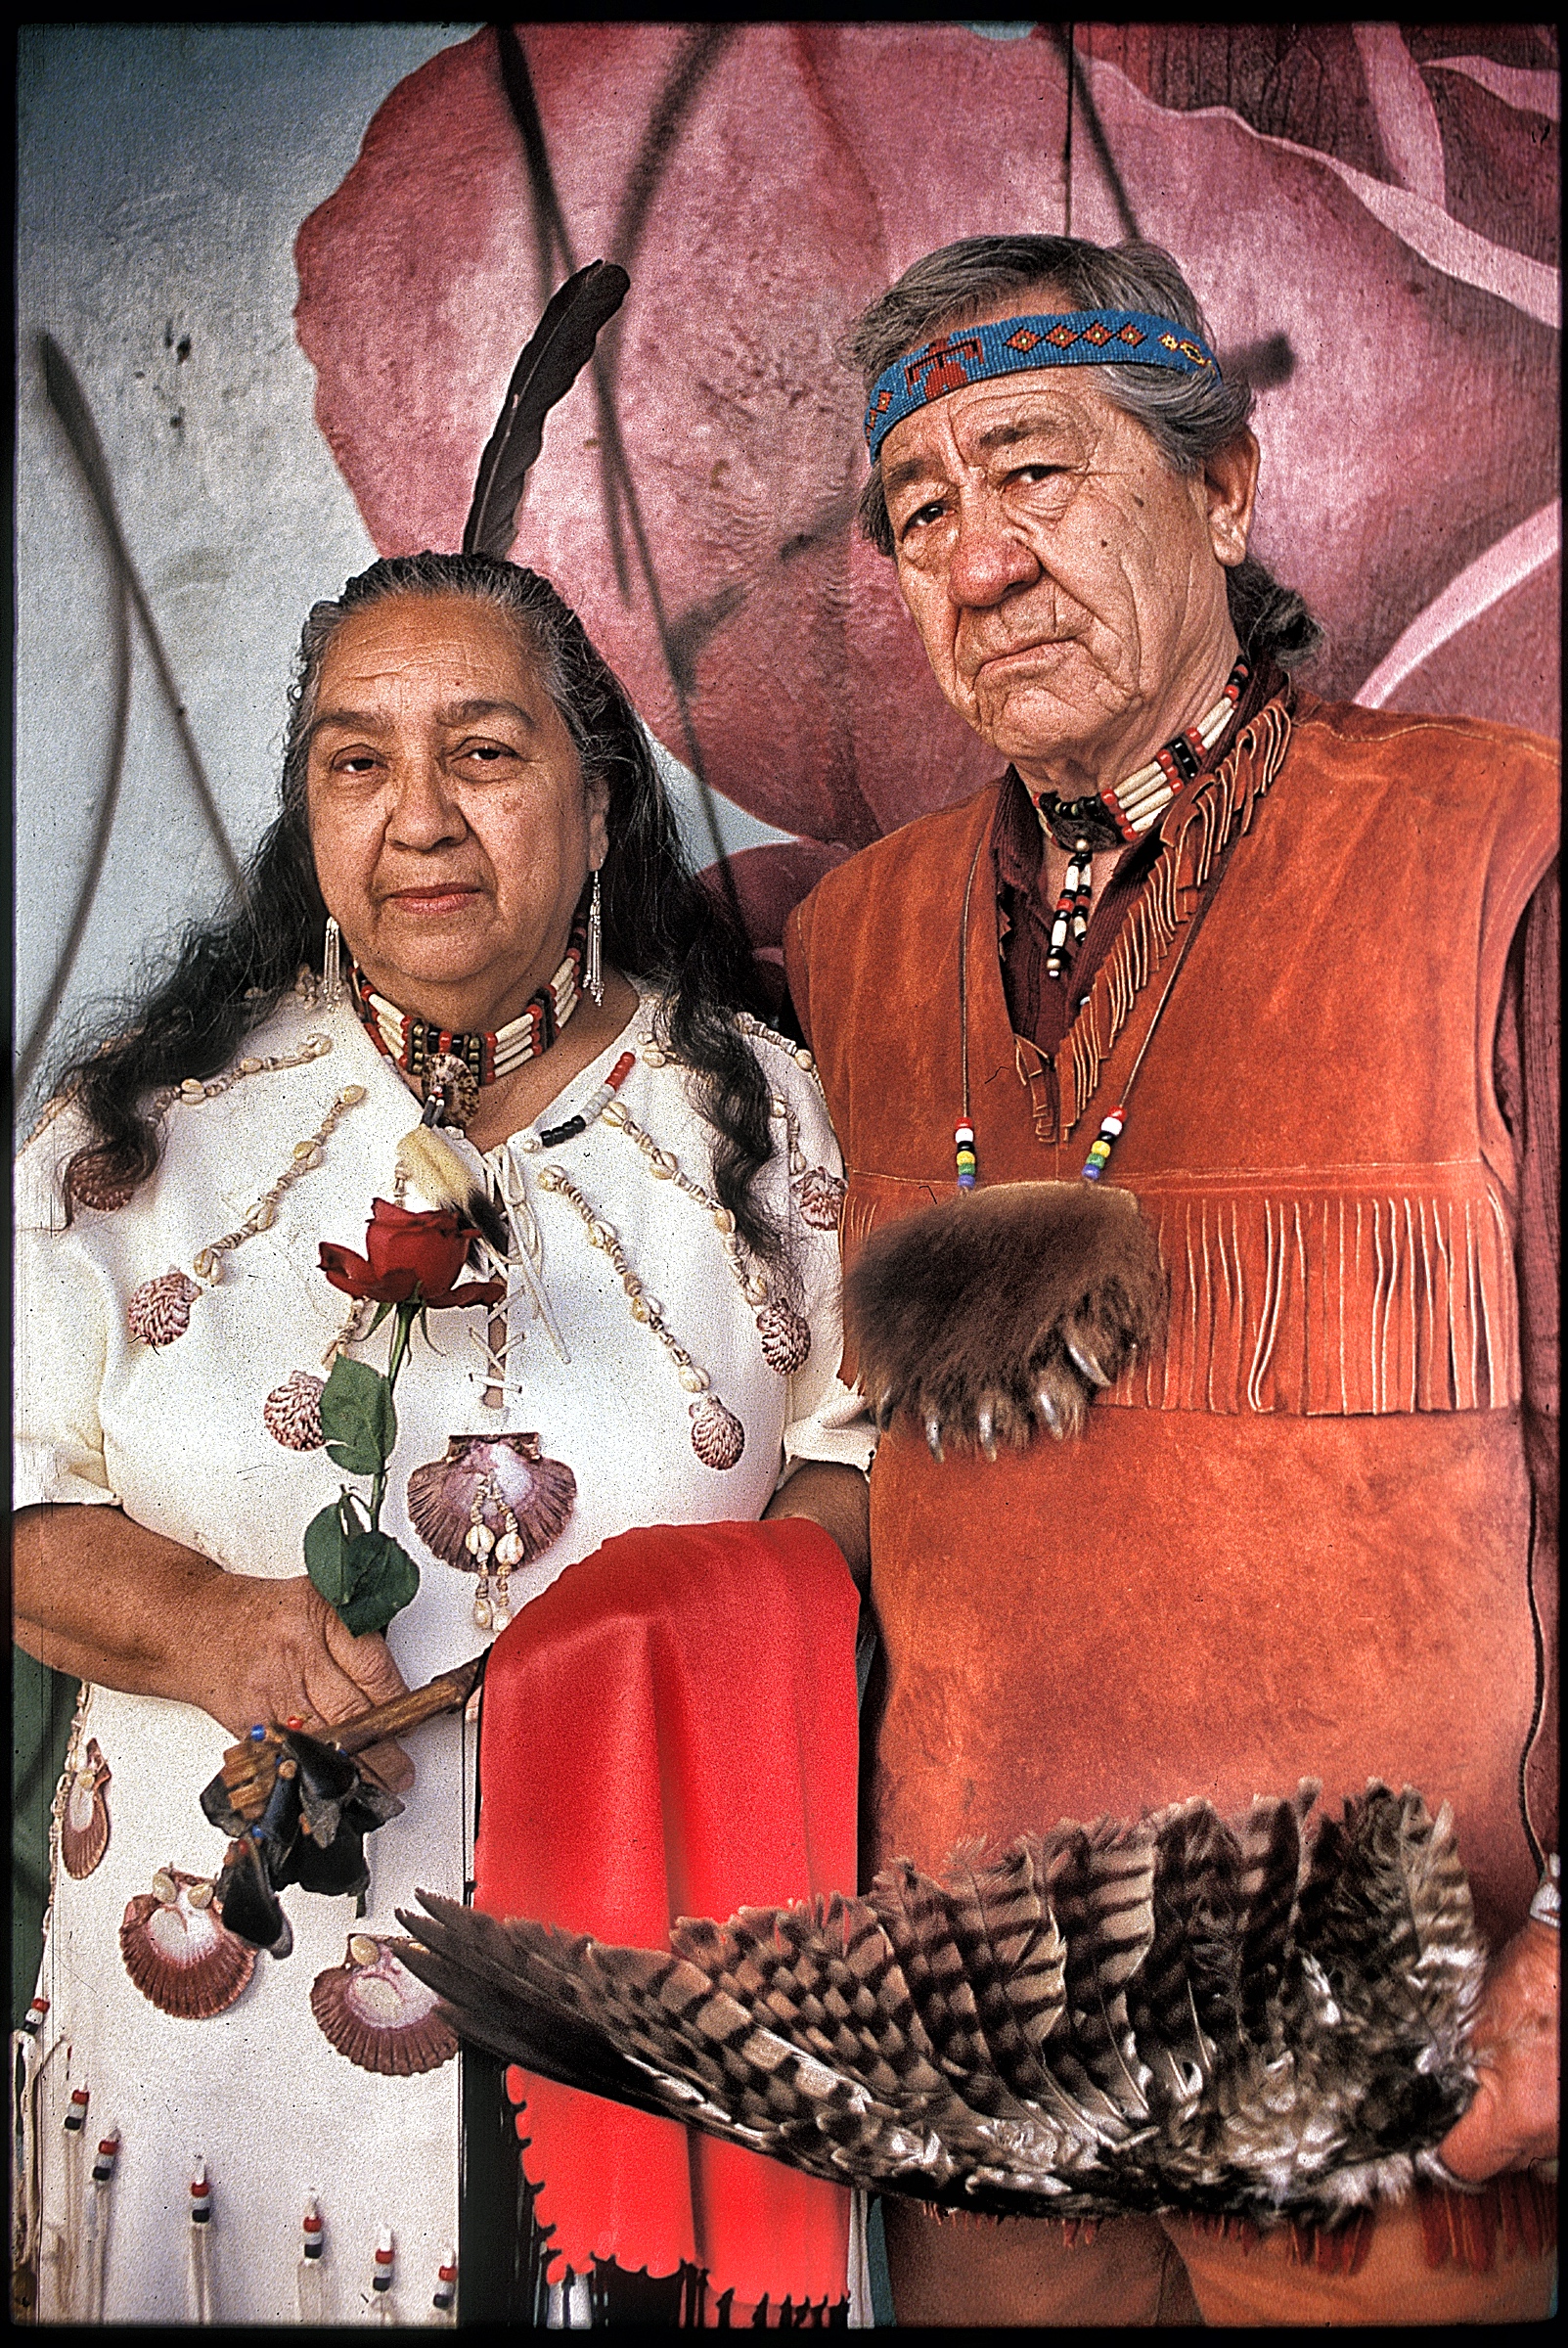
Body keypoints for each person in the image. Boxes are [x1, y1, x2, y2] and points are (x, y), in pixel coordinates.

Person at [784, 235, 1558, 2325]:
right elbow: (863, 1456)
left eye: (1033, 471)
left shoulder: (1494, 842)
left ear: (1220, 490)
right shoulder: (855, 944)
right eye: (922, 508)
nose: (978, 558)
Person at [13, 551, 873, 2325]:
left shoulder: (758, 1119)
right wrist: (209, 1626)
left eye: (484, 753)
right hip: (221, 2042)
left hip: (648, 1997)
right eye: (354, 761)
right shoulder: (140, 1135)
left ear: (598, 795)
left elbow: (857, 1455)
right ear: (306, 806)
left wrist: (673, 1630)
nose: (418, 818)